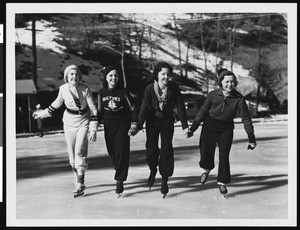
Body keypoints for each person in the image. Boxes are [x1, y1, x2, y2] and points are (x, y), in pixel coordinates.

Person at [187, 68, 257, 195]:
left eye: (232, 82)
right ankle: (206, 170)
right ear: (221, 82)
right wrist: (193, 128)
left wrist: (251, 138)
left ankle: (222, 182)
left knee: (224, 155)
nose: (230, 84)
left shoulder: (239, 99)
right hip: (209, 126)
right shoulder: (212, 95)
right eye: (227, 82)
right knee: (206, 151)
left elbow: (246, 118)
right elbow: (202, 111)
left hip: (226, 128)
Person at [32, 64, 98, 198]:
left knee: (80, 150)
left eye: (76, 74)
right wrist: (43, 113)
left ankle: (80, 182)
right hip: (68, 123)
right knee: (72, 155)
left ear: (79, 76)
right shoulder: (63, 89)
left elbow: (94, 109)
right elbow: (56, 104)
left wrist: (93, 129)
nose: (74, 77)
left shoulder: (85, 90)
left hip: (83, 122)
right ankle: (77, 177)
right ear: (67, 77)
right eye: (71, 74)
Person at [137, 61, 190, 198]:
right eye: (163, 74)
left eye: (168, 74)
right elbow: (143, 108)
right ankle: (153, 168)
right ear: (157, 75)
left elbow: (180, 107)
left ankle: (165, 179)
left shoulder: (174, 88)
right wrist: (138, 125)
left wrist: (185, 126)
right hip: (152, 121)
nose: (166, 77)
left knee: (166, 150)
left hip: (167, 121)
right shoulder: (150, 89)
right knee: (151, 149)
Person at [97, 65, 139, 197]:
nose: (113, 78)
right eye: (110, 75)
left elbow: (133, 108)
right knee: (112, 152)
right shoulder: (101, 93)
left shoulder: (123, 92)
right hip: (108, 125)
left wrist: (134, 124)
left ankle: (119, 180)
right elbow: (98, 111)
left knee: (121, 151)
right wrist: (93, 123)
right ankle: (119, 169)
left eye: (115, 75)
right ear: (106, 77)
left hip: (122, 124)